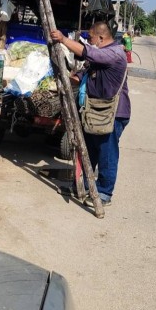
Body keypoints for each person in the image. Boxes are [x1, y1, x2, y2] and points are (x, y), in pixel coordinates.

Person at [51, 21, 130, 207]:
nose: (90, 41)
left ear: (101, 37)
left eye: (92, 38)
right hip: (93, 111)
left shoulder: (114, 54)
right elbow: (82, 73)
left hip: (112, 113)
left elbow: (90, 53)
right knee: (88, 151)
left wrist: (63, 39)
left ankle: (104, 192)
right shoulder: (98, 58)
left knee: (106, 154)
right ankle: (83, 186)